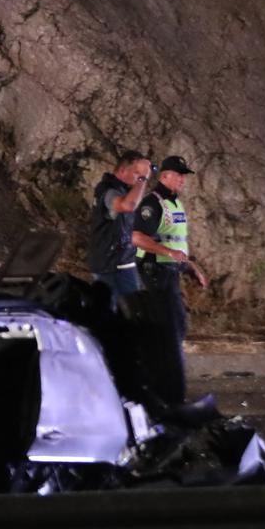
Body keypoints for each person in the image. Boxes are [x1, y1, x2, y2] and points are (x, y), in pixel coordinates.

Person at [135, 155, 207, 384]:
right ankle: (161, 375)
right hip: (154, 270)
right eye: (178, 175)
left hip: (171, 271)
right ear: (164, 176)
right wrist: (169, 254)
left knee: (176, 324)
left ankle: (163, 373)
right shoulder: (152, 203)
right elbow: (136, 237)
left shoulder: (175, 203)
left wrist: (190, 267)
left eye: (184, 176)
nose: (182, 180)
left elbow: (176, 243)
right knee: (168, 325)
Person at [86, 149, 152, 308]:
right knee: (118, 313)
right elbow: (127, 206)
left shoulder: (126, 190)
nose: (138, 178)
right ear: (122, 170)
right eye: (136, 173)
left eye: (140, 174)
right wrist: (143, 178)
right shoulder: (107, 190)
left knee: (134, 312)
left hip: (124, 263)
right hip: (110, 266)